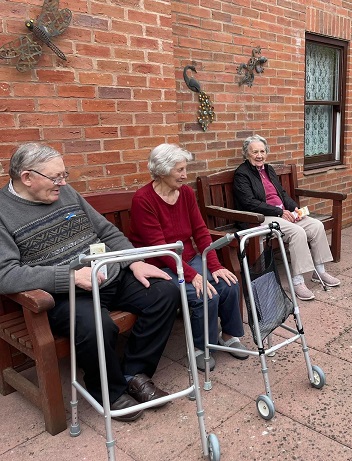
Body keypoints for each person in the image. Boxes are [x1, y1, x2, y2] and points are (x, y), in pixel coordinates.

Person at [0, 143, 179, 423]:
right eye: (56, 177)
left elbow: (106, 231)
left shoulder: (65, 192)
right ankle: (108, 390)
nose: (63, 183)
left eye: (64, 175)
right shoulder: (3, 213)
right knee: (97, 325)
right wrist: (69, 277)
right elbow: (6, 274)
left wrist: (134, 261)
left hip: (109, 275)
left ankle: (134, 373)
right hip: (66, 294)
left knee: (165, 292)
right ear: (27, 177)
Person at [129, 143, 247, 372]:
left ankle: (228, 336)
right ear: (162, 171)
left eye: (185, 169)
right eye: (180, 170)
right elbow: (160, 248)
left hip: (188, 259)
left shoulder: (186, 193)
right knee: (204, 294)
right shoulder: (143, 200)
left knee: (228, 283)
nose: (185, 175)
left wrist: (214, 265)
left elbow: (201, 232)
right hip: (159, 265)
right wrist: (193, 276)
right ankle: (201, 347)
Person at [232, 134, 340, 301]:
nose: (259, 155)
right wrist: (279, 212)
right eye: (255, 152)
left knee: (316, 226)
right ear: (246, 154)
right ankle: (297, 281)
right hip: (259, 218)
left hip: (281, 214)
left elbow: (281, 194)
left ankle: (319, 271)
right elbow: (249, 203)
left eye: (262, 151)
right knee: (297, 232)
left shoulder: (269, 169)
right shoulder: (242, 174)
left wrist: (294, 208)